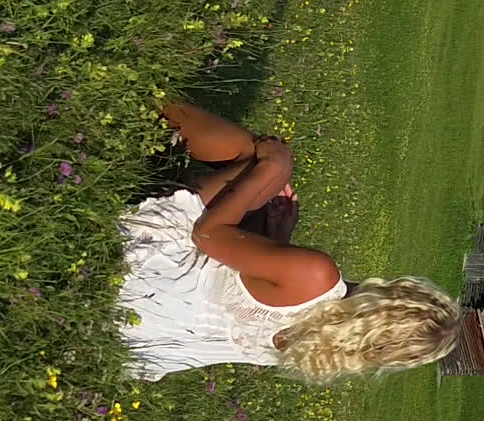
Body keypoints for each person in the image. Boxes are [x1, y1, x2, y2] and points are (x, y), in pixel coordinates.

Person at [118, 102, 461, 383]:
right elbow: (251, 309)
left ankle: (140, 95)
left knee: (261, 161)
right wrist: (278, 239)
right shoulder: (314, 351)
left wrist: (270, 168)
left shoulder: (318, 275)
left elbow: (206, 235)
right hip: (127, 342)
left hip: (136, 272)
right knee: (257, 201)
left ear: (393, 294)